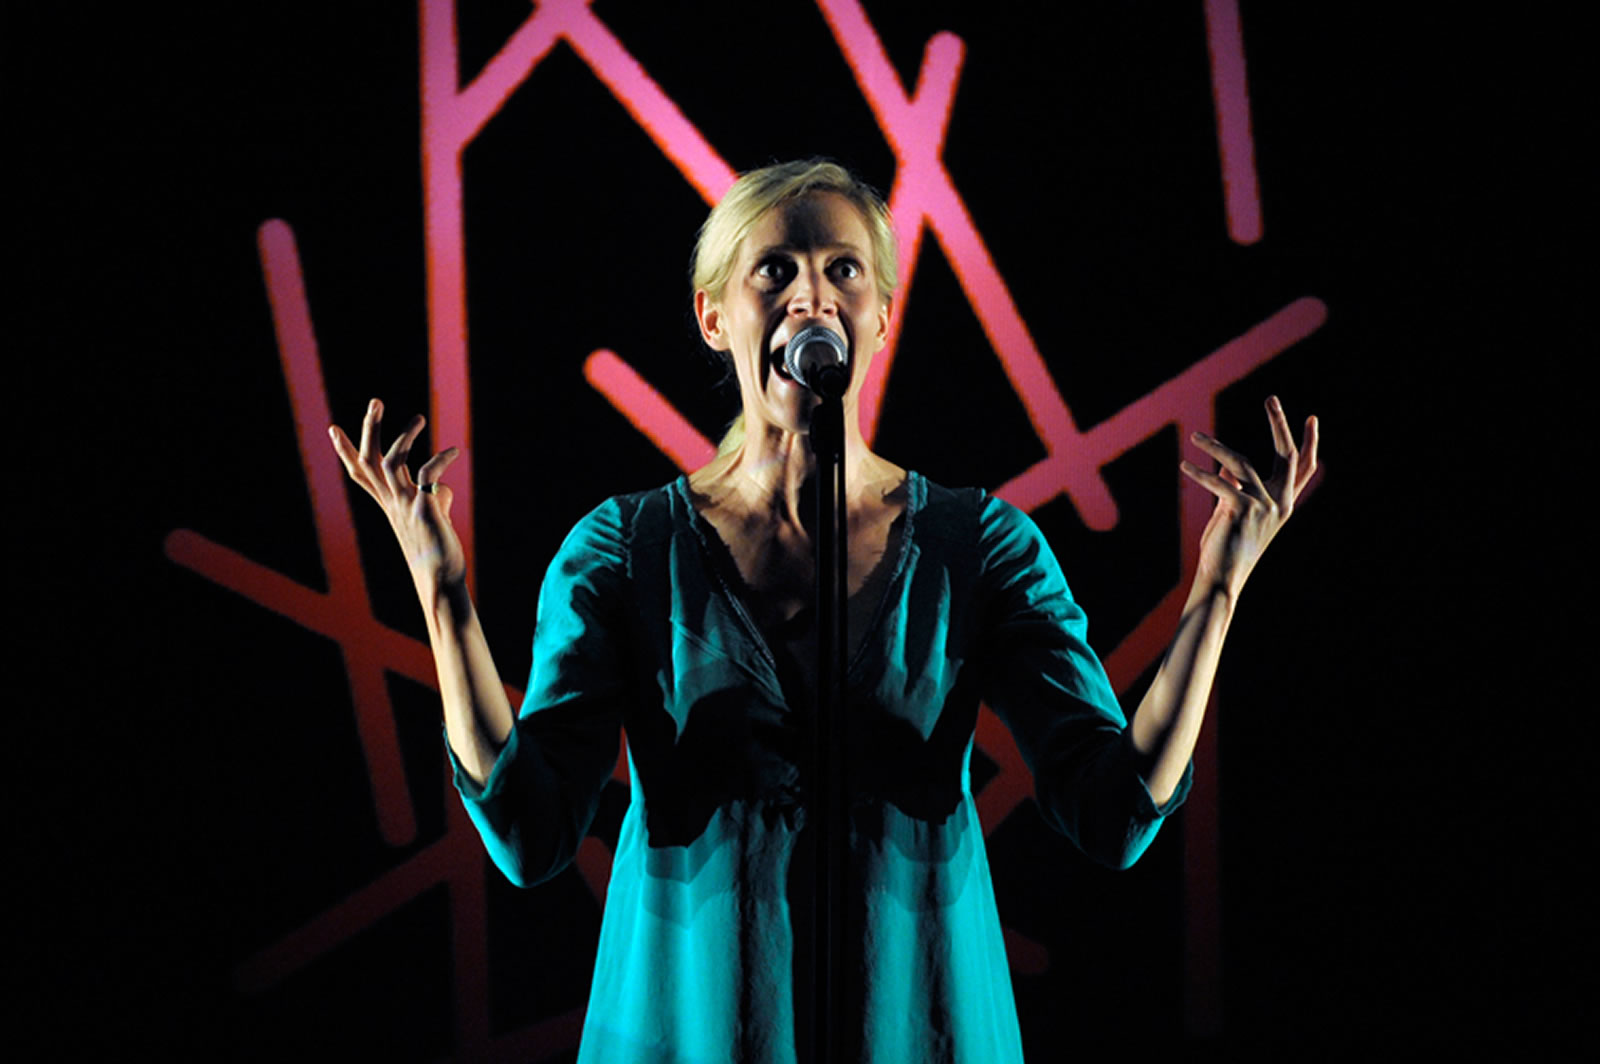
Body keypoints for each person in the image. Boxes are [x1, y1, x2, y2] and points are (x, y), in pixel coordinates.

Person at [329, 159, 1318, 1063]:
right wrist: (442, 591)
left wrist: (1218, 589)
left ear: (882, 313)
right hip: (687, 1030)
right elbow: (527, 830)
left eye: (845, 269)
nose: (812, 295)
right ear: (714, 316)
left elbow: (1115, 811)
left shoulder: (982, 547)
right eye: (774, 270)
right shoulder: (626, 551)